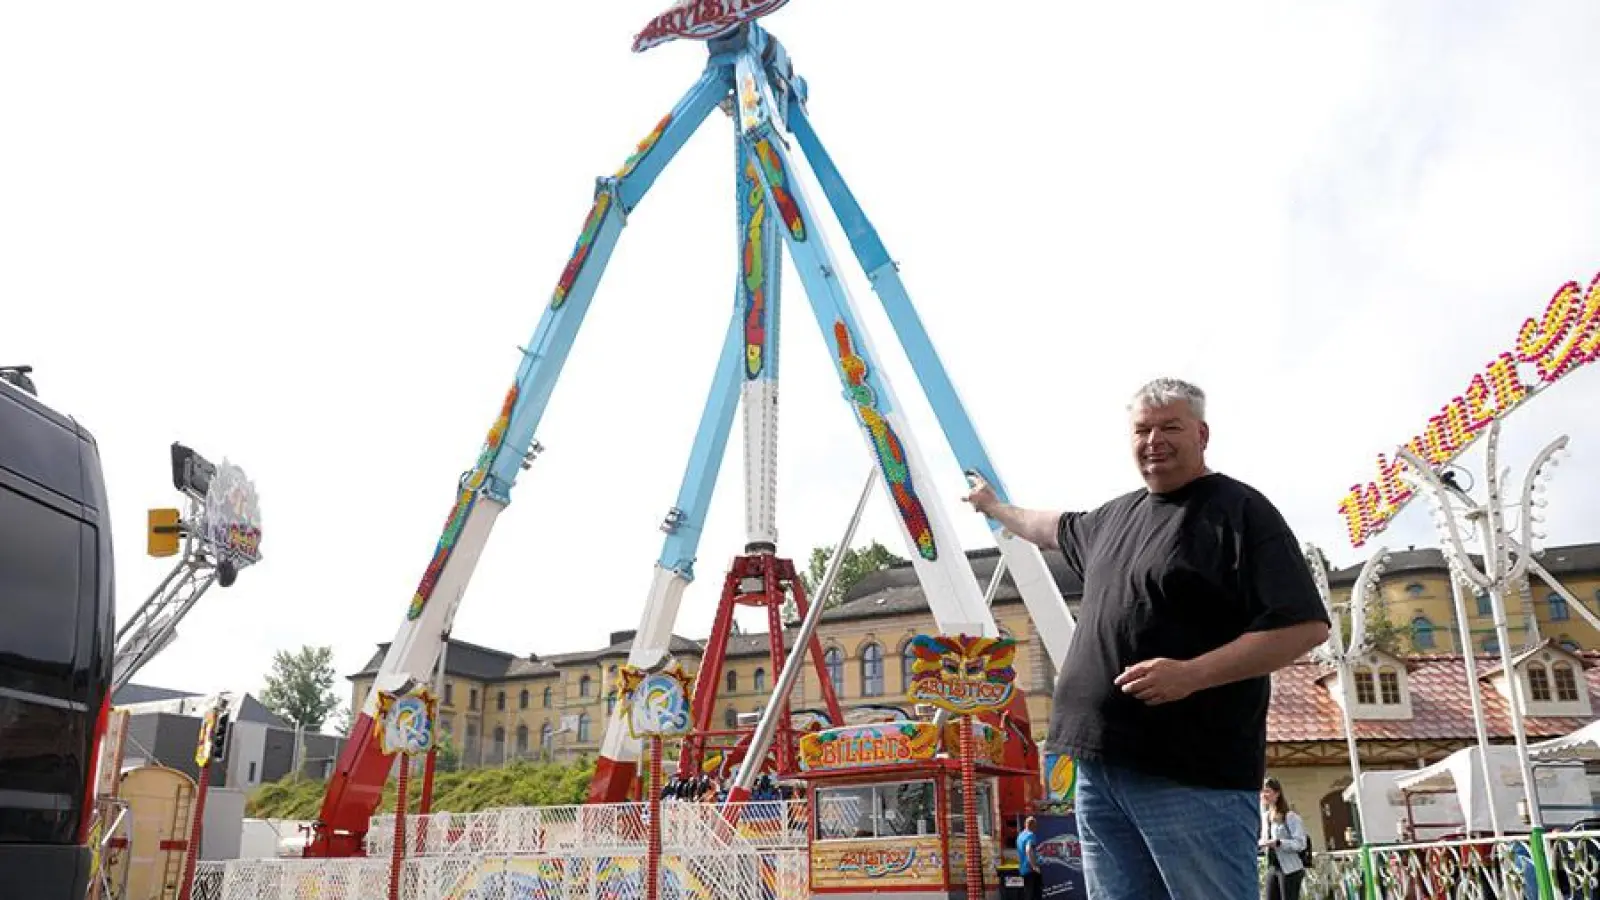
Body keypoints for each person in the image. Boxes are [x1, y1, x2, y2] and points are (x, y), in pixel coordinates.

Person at [963, 377, 1331, 900]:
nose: (1154, 439)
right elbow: (1048, 526)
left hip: (1190, 775)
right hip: (1097, 769)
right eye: (1143, 429)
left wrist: (1191, 674)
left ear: (1202, 434)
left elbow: (1304, 625)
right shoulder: (1113, 517)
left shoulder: (1240, 512)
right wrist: (995, 508)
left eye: (1170, 427)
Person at [1260, 777, 1309, 899]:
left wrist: (1278, 843)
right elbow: (1264, 839)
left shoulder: (1290, 816)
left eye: (1267, 791)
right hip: (1272, 867)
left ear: (1277, 793)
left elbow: (1301, 843)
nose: (1263, 794)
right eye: (1262, 791)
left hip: (1290, 869)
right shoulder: (1265, 817)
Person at [1017, 815, 1043, 900]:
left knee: (1028, 893)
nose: (1036, 828)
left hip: (1023, 869)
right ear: (1032, 825)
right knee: (1035, 895)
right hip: (1031, 870)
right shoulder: (1030, 835)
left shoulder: (1020, 836)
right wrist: (1034, 866)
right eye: (1035, 826)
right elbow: (1028, 850)